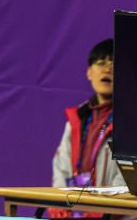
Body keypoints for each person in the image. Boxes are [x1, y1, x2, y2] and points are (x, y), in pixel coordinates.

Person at [51, 38, 125, 190]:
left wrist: (106, 208)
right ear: (89, 73)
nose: (108, 69)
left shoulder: (134, 121)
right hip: (77, 210)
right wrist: (61, 205)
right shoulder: (77, 119)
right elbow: (61, 168)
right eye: (101, 63)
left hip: (116, 210)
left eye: (114, 63)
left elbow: (130, 180)